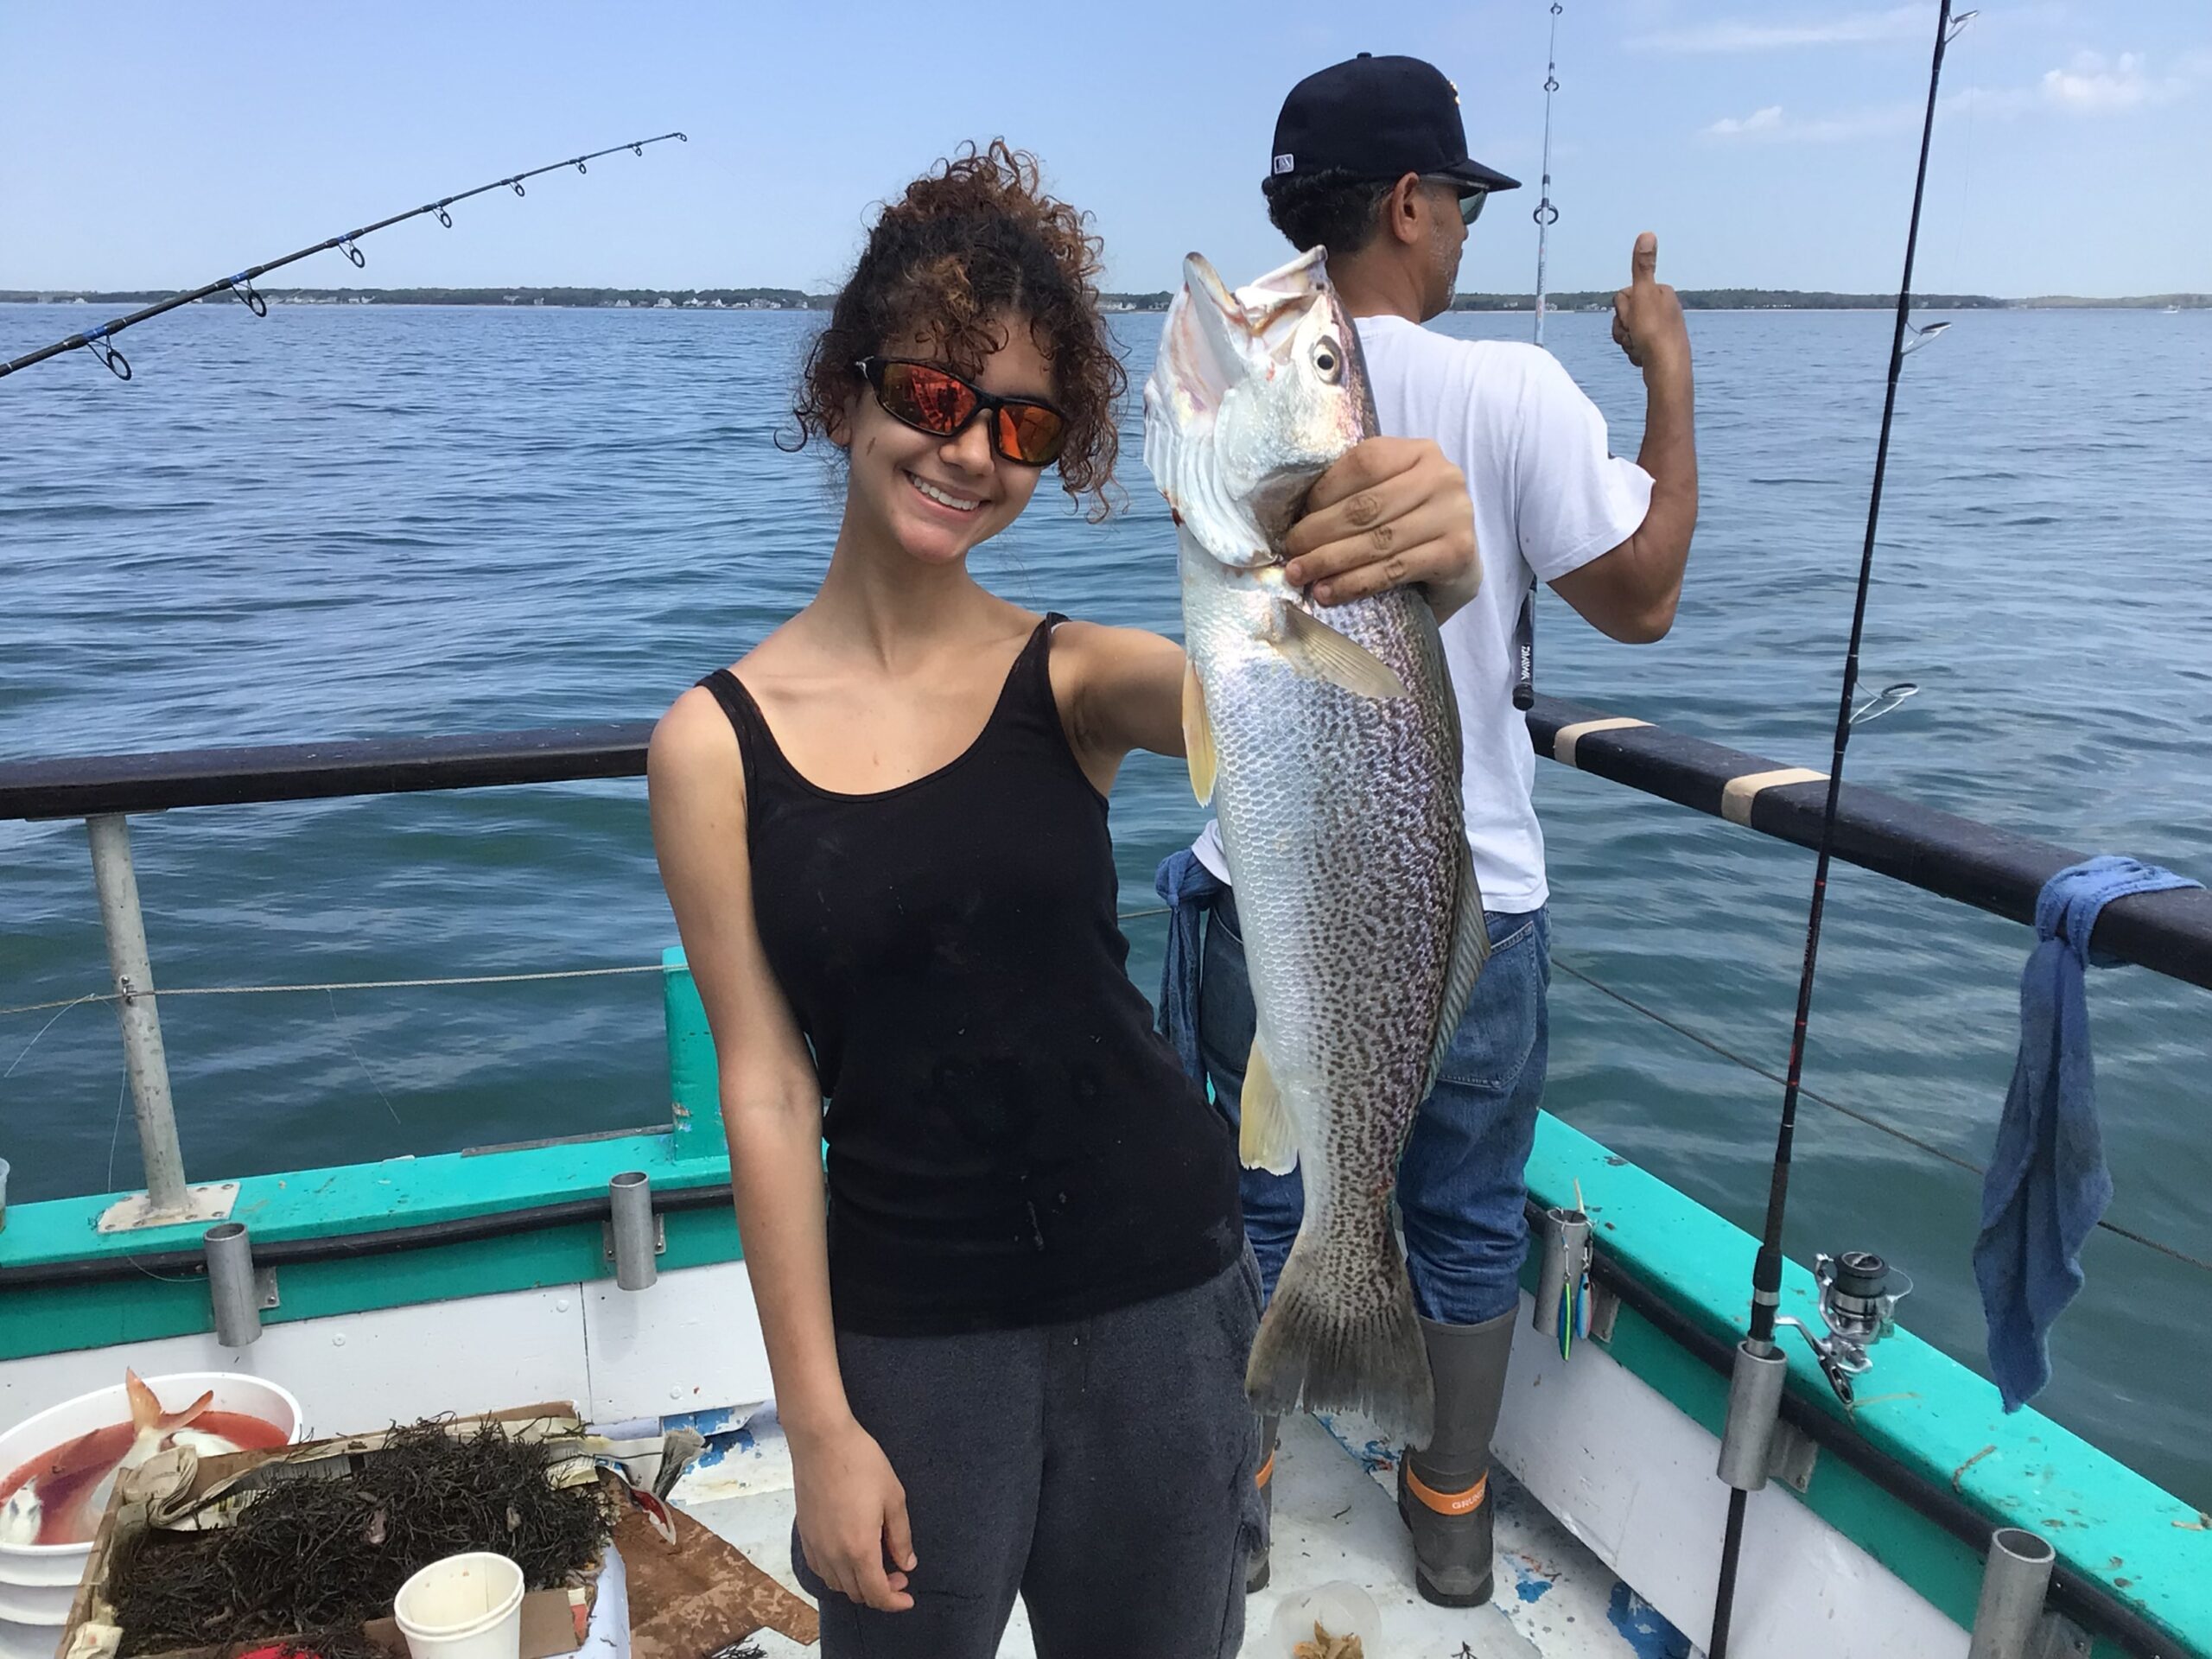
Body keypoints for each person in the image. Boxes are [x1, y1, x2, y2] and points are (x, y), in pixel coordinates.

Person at [647, 140, 1484, 1659]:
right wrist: (817, 1425)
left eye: (1021, 421)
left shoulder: (1083, 678)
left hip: (1170, 1298)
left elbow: (1343, 721)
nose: (970, 450)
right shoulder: (712, 747)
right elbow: (766, 1093)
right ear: (849, 390)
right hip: (909, 1336)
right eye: (935, 394)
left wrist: (1423, 564)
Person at [1156, 54, 1697, 1607]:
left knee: (1257, 1192)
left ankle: (1240, 1494)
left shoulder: (1229, 389)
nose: (1461, 229)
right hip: (1474, 908)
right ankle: (1452, 1514)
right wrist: (1666, 368)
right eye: (1457, 198)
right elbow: (1644, 595)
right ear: (1410, 200)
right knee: (1462, 1215)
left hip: (1258, 889)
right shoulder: (1515, 390)